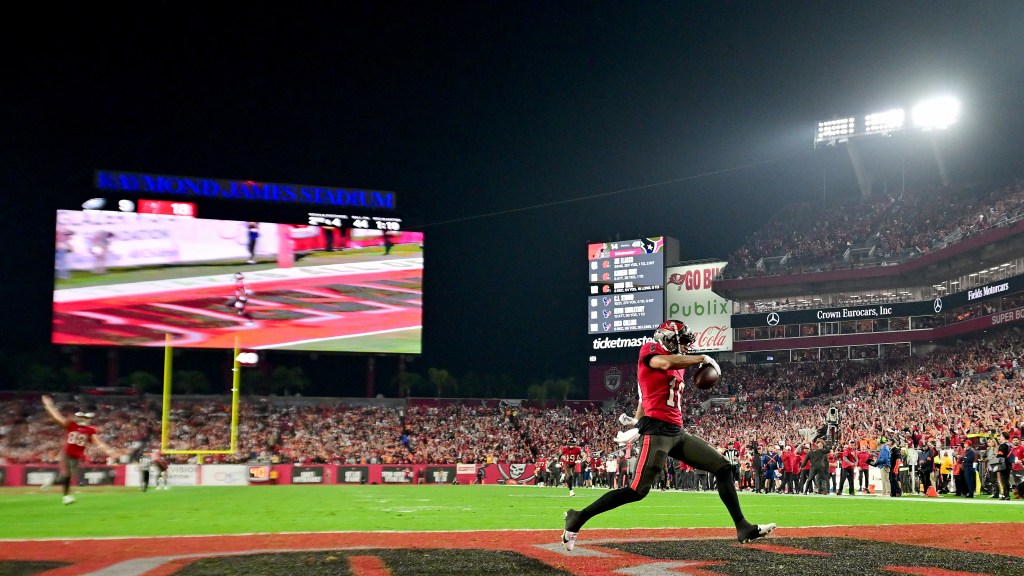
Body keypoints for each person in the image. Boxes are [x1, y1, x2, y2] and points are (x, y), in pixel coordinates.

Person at [562, 320, 775, 551]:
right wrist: (702, 358)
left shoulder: (679, 365)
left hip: (677, 432)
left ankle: (743, 526)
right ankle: (578, 517)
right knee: (637, 490)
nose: (685, 347)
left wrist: (635, 422)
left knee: (723, 467)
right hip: (657, 432)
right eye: (682, 341)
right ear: (667, 338)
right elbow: (663, 362)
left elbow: (645, 396)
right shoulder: (651, 350)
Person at [41, 395, 122, 504]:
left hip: (76, 456)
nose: (85, 420)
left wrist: (110, 451)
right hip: (66, 453)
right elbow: (57, 417)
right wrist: (49, 406)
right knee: (67, 475)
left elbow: (99, 443)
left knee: (63, 477)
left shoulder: (90, 430)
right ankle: (66, 497)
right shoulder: (71, 425)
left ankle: (50, 481)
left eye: (87, 418)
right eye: (83, 417)